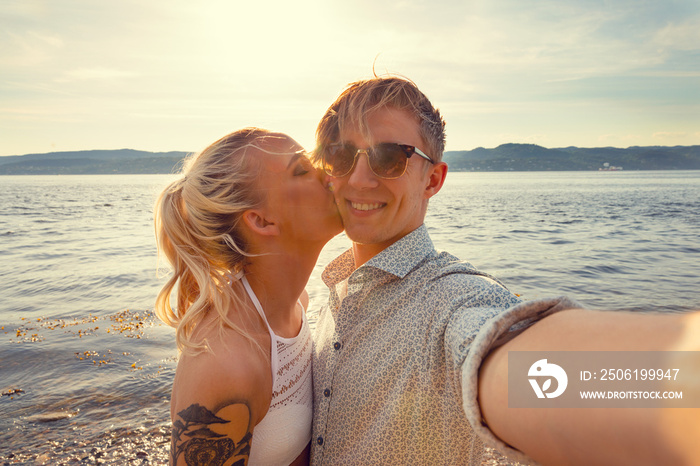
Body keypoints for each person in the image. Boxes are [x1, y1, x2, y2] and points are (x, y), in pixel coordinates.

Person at [309, 75, 700, 465]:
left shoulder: (453, 303)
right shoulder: (331, 292)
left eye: (389, 157)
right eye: (341, 156)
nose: (359, 179)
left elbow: (503, 354)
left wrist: (676, 384)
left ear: (433, 179)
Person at [154, 128, 342, 466]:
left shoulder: (295, 303)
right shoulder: (228, 362)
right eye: (302, 170)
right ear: (261, 220)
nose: (328, 172)